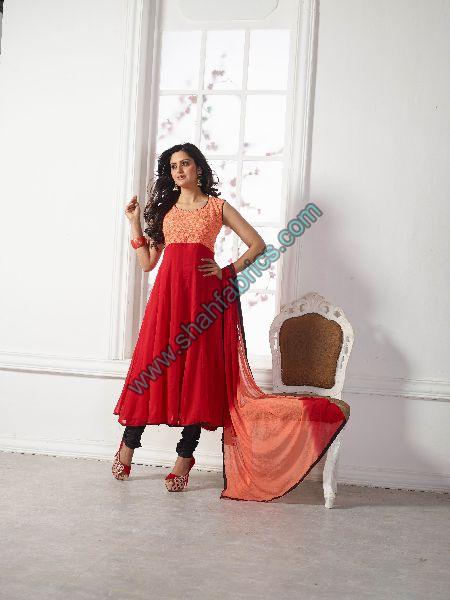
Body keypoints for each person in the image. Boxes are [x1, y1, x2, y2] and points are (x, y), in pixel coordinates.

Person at [112, 142, 350, 501]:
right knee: (153, 368)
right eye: (173, 166)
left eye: (185, 164)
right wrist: (134, 222)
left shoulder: (217, 207)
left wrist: (226, 272)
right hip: (167, 301)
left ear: (198, 168)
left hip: (203, 302)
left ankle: (184, 457)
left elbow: (258, 245)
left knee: (197, 375)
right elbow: (148, 263)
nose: (179, 171)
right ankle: (128, 447)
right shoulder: (164, 210)